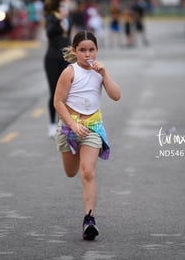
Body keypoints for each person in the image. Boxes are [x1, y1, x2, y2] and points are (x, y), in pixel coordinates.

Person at [53, 30, 121, 240]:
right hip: (69, 127)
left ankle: (89, 219)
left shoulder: (98, 72)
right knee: (71, 172)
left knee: (88, 172)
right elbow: (58, 102)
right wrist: (72, 125)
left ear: (97, 50)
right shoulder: (69, 72)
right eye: (82, 50)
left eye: (91, 49)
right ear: (75, 51)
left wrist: (105, 74)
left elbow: (116, 96)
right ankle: (88, 218)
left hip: (92, 126)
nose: (87, 54)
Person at [43, 0, 71, 137]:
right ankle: (52, 124)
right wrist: (60, 19)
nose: (69, 2)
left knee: (67, 93)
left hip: (67, 59)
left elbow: (68, 39)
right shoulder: (52, 17)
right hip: (53, 58)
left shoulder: (68, 18)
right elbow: (49, 33)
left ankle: (65, 123)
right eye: (67, 0)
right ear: (61, 2)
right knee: (55, 92)